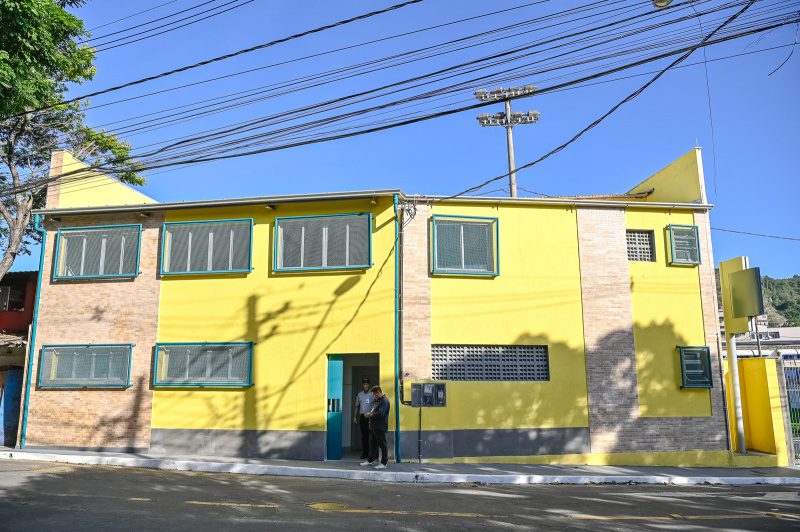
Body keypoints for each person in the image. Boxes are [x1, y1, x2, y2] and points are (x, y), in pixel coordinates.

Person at [360, 385, 390, 469]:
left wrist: (370, 414)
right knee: (372, 445)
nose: (374, 396)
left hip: (380, 427)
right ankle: (370, 460)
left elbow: (381, 414)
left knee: (382, 445)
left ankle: (384, 463)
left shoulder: (384, 401)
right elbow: (375, 411)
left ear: (379, 392)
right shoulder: (378, 401)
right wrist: (370, 413)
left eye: (375, 394)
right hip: (374, 427)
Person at [352, 378, 373, 460]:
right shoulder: (359, 394)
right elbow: (357, 406)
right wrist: (354, 416)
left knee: (373, 436)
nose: (366, 385)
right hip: (362, 417)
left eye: (367, 384)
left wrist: (372, 414)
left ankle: (373, 454)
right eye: (364, 384)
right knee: (364, 436)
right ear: (362, 385)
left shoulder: (373, 394)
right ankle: (365, 453)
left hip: (371, 418)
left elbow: (376, 405)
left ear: (369, 385)